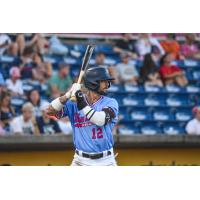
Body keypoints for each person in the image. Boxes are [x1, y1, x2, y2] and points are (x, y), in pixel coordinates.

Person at [46, 67, 119, 166]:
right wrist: (68, 94)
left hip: (105, 161)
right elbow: (49, 111)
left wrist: (81, 101)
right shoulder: (73, 103)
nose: (107, 85)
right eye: (104, 81)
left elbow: (100, 120)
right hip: (80, 161)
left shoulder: (111, 102)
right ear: (93, 83)